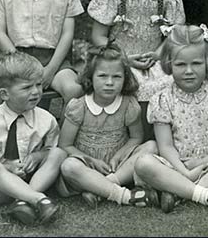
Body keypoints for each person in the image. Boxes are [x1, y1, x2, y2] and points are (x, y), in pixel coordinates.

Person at [134, 25, 208, 214]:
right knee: (143, 163)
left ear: (207, 62)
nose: (189, 71)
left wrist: (203, 163)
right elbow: (165, 146)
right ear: (169, 64)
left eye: (196, 64)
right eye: (181, 65)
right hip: (175, 165)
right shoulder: (162, 99)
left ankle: (178, 191)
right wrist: (183, 171)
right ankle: (203, 194)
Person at [88, 0, 186, 138]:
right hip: (120, 59)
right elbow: (98, 36)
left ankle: (166, 140)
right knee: (135, 83)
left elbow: (175, 34)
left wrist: (159, 53)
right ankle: (135, 140)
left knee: (171, 80)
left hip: (155, 59)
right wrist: (125, 58)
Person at [0, 52, 66, 225]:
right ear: (5, 94)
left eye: (39, 85)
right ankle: (38, 199)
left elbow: (50, 149)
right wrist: (8, 167)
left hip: (32, 178)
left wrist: (38, 156)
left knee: (58, 153)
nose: (35, 92)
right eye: (27, 88)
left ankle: (23, 202)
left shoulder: (46, 119)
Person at [57, 43, 158, 209]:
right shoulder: (79, 106)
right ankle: (123, 195)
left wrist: (119, 155)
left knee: (152, 146)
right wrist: (92, 161)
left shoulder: (129, 105)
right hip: (87, 165)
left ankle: (104, 186)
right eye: (102, 76)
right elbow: (65, 145)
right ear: (90, 77)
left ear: (125, 78)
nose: (109, 82)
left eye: (117, 77)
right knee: (68, 166)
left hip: (117, 166)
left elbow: (136, 137)